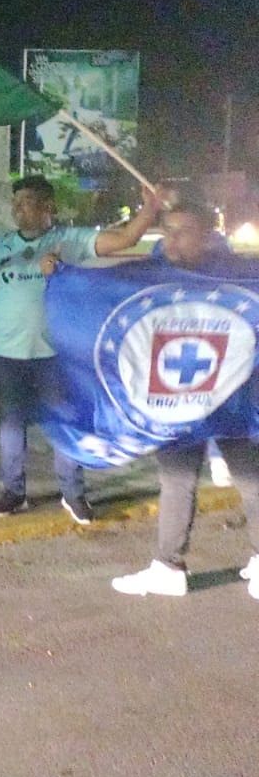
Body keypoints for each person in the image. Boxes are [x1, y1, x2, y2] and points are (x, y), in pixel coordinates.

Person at [0, 174, 162, 521]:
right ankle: (14, 492)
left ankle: (73, 493)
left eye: (28, 201)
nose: (19, 209)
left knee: (66, 422)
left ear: (49, 206)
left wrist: (150, 207)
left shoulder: (69, 240)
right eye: (16, 202)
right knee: (12, 425)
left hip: (56, 354)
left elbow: (126, 238)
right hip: (8, 354)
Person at [107, 203, 259, 598]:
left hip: (231, 394)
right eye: (168, 229)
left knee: (250, 478)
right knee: (176, 481)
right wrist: (61, 274)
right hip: (176, 396)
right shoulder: (154, 272)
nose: (172, 239)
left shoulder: (236, 272)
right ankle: (168, 567)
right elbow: (106, 289)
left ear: (209, 235)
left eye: (184, 231)